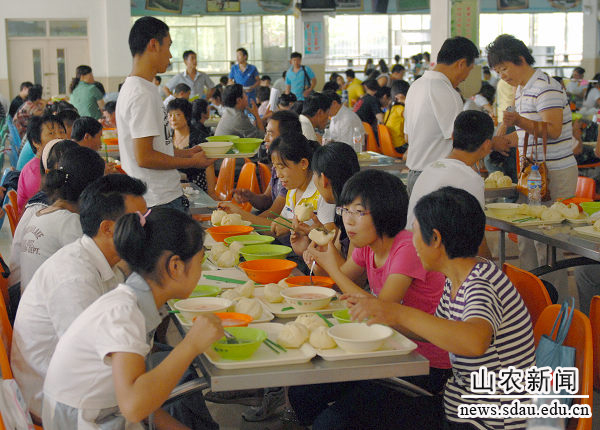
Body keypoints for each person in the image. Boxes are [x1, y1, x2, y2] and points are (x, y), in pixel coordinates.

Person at [344, 187, 536, 430]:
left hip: (490, 421)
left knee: (349, 418)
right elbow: (433, 332)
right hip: (460, 407)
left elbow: (475, 340)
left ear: (435, 239)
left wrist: (398, 312)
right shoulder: (457, 278)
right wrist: (383, 314)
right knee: (351, 412)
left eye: (415, 231)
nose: (412, 241)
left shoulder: (481, 284)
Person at [289, 170, 451, 430]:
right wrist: (314, 256)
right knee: (302, 392)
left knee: (331, 424)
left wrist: (331, 268)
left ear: (385, 212)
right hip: (384, 349)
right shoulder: (367, 245)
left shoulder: (407, 248)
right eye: (345, 210)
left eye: (359, 212)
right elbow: (341, 281)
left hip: (423, 363)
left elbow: (381, 311)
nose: (348, 221)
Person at [42, 208, 223, 429]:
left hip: (104, 414)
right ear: (175, 266)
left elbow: (142, 401)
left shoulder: (133, 302)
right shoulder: (124, 313)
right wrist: (191, 345)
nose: (200, 271)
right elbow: (133, 406)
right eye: (199, 261)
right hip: (81, 422)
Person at [11, 174, 147, 420]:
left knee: (167, 367)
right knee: (169, 376)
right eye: (139, 222)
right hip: (56, 403)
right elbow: (94, 359)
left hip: (75, 383)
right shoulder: (74, 277)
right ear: (107, 228)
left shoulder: (101, 260)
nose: (146, 230)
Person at [488, 34, 577, 298]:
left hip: (555, 173)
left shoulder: (546, 86)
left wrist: (518, 121)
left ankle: (555, 304)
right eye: (498, 71)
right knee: (526, 237)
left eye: (504, 68)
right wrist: (503, 141)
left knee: (549, 243)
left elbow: (553, 130)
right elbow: (527, 134)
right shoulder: (522, 88)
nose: (502, 75)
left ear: (520, 59)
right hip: (533, 174)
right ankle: (530, 299)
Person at [117, 17, 215, 211]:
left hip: (158, 197)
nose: (170, 56)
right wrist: (192, 162)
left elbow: (157, 148)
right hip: (159, 200)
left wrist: (187, 153)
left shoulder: (141, 87)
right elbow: (145, 157)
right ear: (153, 45)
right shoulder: (141, 93)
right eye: (168, 46)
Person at [12, 146, 105, 293]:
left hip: (29, 297)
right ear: (92, 189)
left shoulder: (42, 213)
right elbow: (92, 273)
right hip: (50, 302)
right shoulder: (69, 223)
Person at [404, 36, 490, 194]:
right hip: (438, 179)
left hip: (415, 176)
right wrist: (493, 143)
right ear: (461, 64)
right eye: (469, 70)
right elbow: (463, 142)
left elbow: (407, 137)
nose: (465, 77)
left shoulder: (416, 86)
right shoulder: (446, 91)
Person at [407, 110, 493, 258]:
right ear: (487, 145)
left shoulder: (430, 168)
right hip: (429, 261)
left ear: (452, 136)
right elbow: (477, 243)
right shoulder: (470, 179)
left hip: (408, 253)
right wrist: (493, 268)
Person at [217, 110, 301, 226]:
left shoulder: (291, 173)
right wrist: (251, 197)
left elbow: (272, 215)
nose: (265, 139)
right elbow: (267, 200)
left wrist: (240, 217)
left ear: (285, 138)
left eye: (270, 134)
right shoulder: (277, 166)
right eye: (266, 133)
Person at [292, 141, 361, 260]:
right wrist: (320, 236)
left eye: (314, 174)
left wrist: (317, 256)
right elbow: (338, 258)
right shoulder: (345, 209)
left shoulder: (353, 217)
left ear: (323, 179)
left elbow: (347, 271)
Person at [269, 133, 336, 239]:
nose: (278, 175)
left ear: (303, 163)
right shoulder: (292, 191)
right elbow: (282, 221)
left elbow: (331, 235)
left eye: (281, 167)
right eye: (275, 167)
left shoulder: (322, 193)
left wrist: (291, 225)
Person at [167, 98, 217, 198]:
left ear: (187, 116)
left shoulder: (199, 138)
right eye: (170, 115)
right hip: (172, 186)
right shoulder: (167, 139)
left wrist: (211, 193)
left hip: (197, 187)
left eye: (177, 115)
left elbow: (209, 167)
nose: (173, 119)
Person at [17, 115, 67, 212]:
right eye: (51, 133)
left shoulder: (52, 162)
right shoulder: (35, 172)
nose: (59, 137)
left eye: (61, 132)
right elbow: (47, 207)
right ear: (36, 142)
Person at [383, 79, 410, 152]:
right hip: (400, 145)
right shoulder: (401, 109)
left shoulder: (390, 108)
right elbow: (413, 120)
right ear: (401, 95)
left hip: (390, 144)